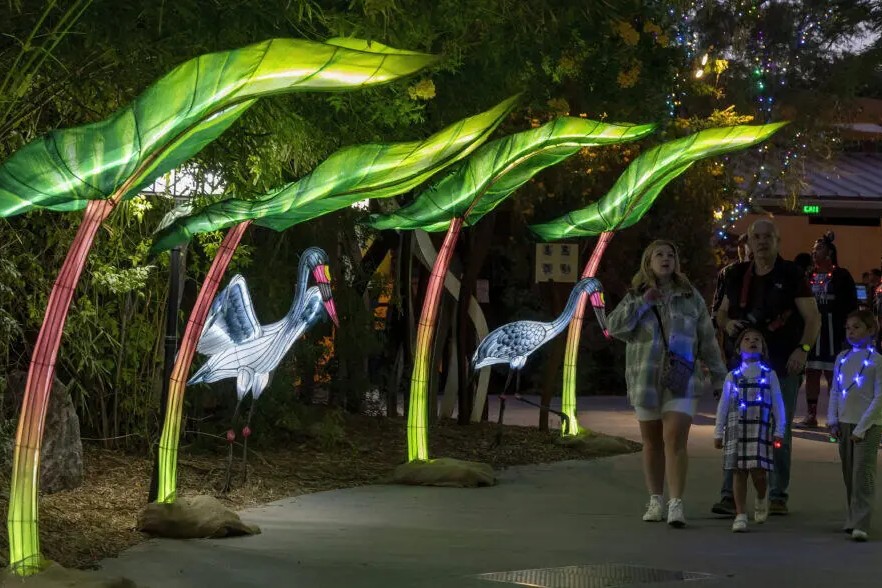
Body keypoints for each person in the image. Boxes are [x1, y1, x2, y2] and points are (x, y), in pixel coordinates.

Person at [608, 239, 727, 528]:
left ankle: (676, 503)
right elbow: (613, 327)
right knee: (651, 442)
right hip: (645, 377)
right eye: (659, 255)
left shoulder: (690, 295)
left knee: (674, 439)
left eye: (670, 254)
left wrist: (720, 376)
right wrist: (641, 304)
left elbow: (707, 337)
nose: (665, 259)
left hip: (681, 376)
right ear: (648, 262)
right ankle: (655, 500)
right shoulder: (636, 295)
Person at [712, 218, 821, 516]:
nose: (761, 242)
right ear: (748, 241)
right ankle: (729, 496)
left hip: (783, 363)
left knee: (777, 429)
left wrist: (803, 349)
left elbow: (812, 318)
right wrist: (729, 322)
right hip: (743, 366)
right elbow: (721, 314)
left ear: (777, 241)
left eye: (767, 237)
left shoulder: (791, 274)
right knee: (737, 427)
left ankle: (777, 494)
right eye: (755, 237)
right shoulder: (735, 275)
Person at [714, 328, 785, 532]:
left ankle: (762, 496)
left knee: (759, 473)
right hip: (737, 429)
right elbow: (724, 406)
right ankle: (740, 514)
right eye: (747, 339)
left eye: (757, 339)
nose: (752, 341)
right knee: (739, 472)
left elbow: (778, 404)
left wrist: (779, 429)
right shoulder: (732, 376)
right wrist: (719, 432)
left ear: (763, 348)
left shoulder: (769, 375)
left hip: (760, 429)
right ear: (738, 348)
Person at [826, 310, 882, 541]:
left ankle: (861, 522)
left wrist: (862, 427)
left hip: (867, 425)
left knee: (863, 473)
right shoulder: (842, 358)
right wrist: (832, 419)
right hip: (845, 422)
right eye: (848, 327)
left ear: (871, 330)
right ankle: (853, 515)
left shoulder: (877, 361)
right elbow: (836, 390)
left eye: (857, 327)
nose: (851, 331)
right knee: (849, 473)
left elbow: (880, 397)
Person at [802, 232, 857, 428]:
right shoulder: (807, 275)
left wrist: (849, 331)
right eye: (814, 248)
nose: (814, 251)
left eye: (819, 248)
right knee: (811, 372)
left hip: (835, 332)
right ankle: (811, 415)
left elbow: (852, 305)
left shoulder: (842, 275)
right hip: (813, 332)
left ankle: (835, 416)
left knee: (834, 375)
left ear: (830, 252)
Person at [712, 234, 750, 367]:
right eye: (741, 246)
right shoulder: (728, 272)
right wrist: (718, 325)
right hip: (732, 326)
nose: (744, 249)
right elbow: (718, 300)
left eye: (747, 245)